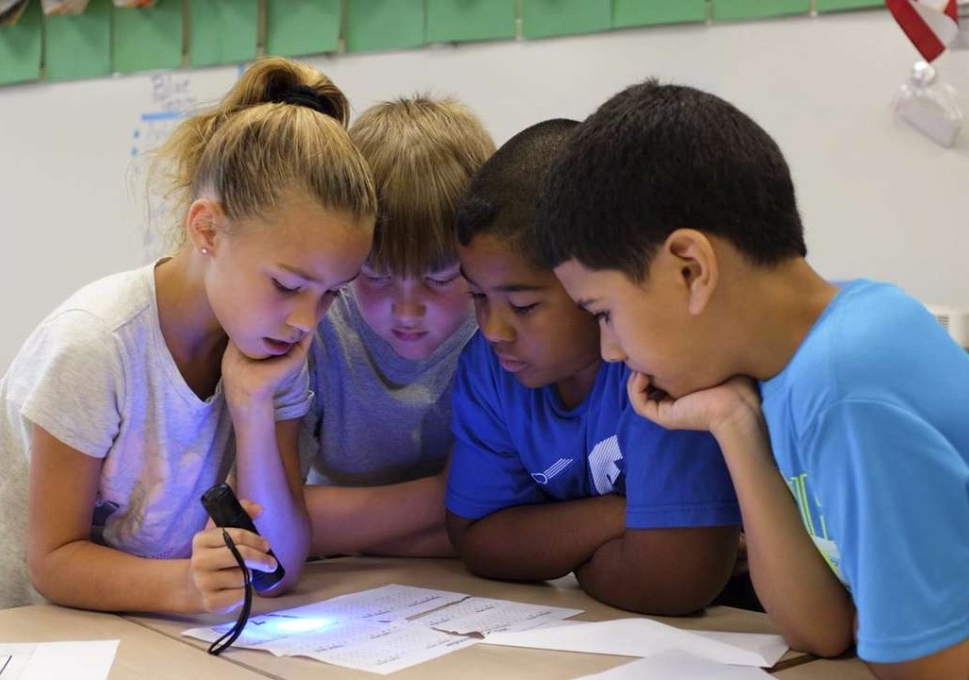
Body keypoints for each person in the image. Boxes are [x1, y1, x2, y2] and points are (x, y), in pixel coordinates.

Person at [533, 80, 969, 676]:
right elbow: (818, 628)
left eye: (604, 313)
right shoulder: (796, 359)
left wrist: (885, 633)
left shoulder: (846, 381)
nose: (609, 351)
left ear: (691, 269)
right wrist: (733, 425)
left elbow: (926, 667)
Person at [0, 57, 377, 617]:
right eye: (287, 285)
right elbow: (54, 560)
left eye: (330, 294)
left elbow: (279, 569)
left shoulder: (275, 349)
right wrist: (184, 586)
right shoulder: (95, 344)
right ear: (207, 230)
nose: (307, 320)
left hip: (114, 632)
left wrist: (251, 407)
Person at [445, 119, 742, 614]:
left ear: (593, 281)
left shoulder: (658, 363)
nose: (493, 329)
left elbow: (673, 580)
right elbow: (476, 538)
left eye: (523, 306)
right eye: (476, 295)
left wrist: (557, 544)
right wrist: (621, 517)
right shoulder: (488, 370)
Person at [301, 96, 494, 558]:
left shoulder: (499, 331)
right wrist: (448, 502)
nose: (407, 312)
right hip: (337, 585)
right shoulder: (314, 327)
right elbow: (271, 522)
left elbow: (510, 527)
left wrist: (331, 524)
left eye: (440, 278)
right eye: (377, 276)